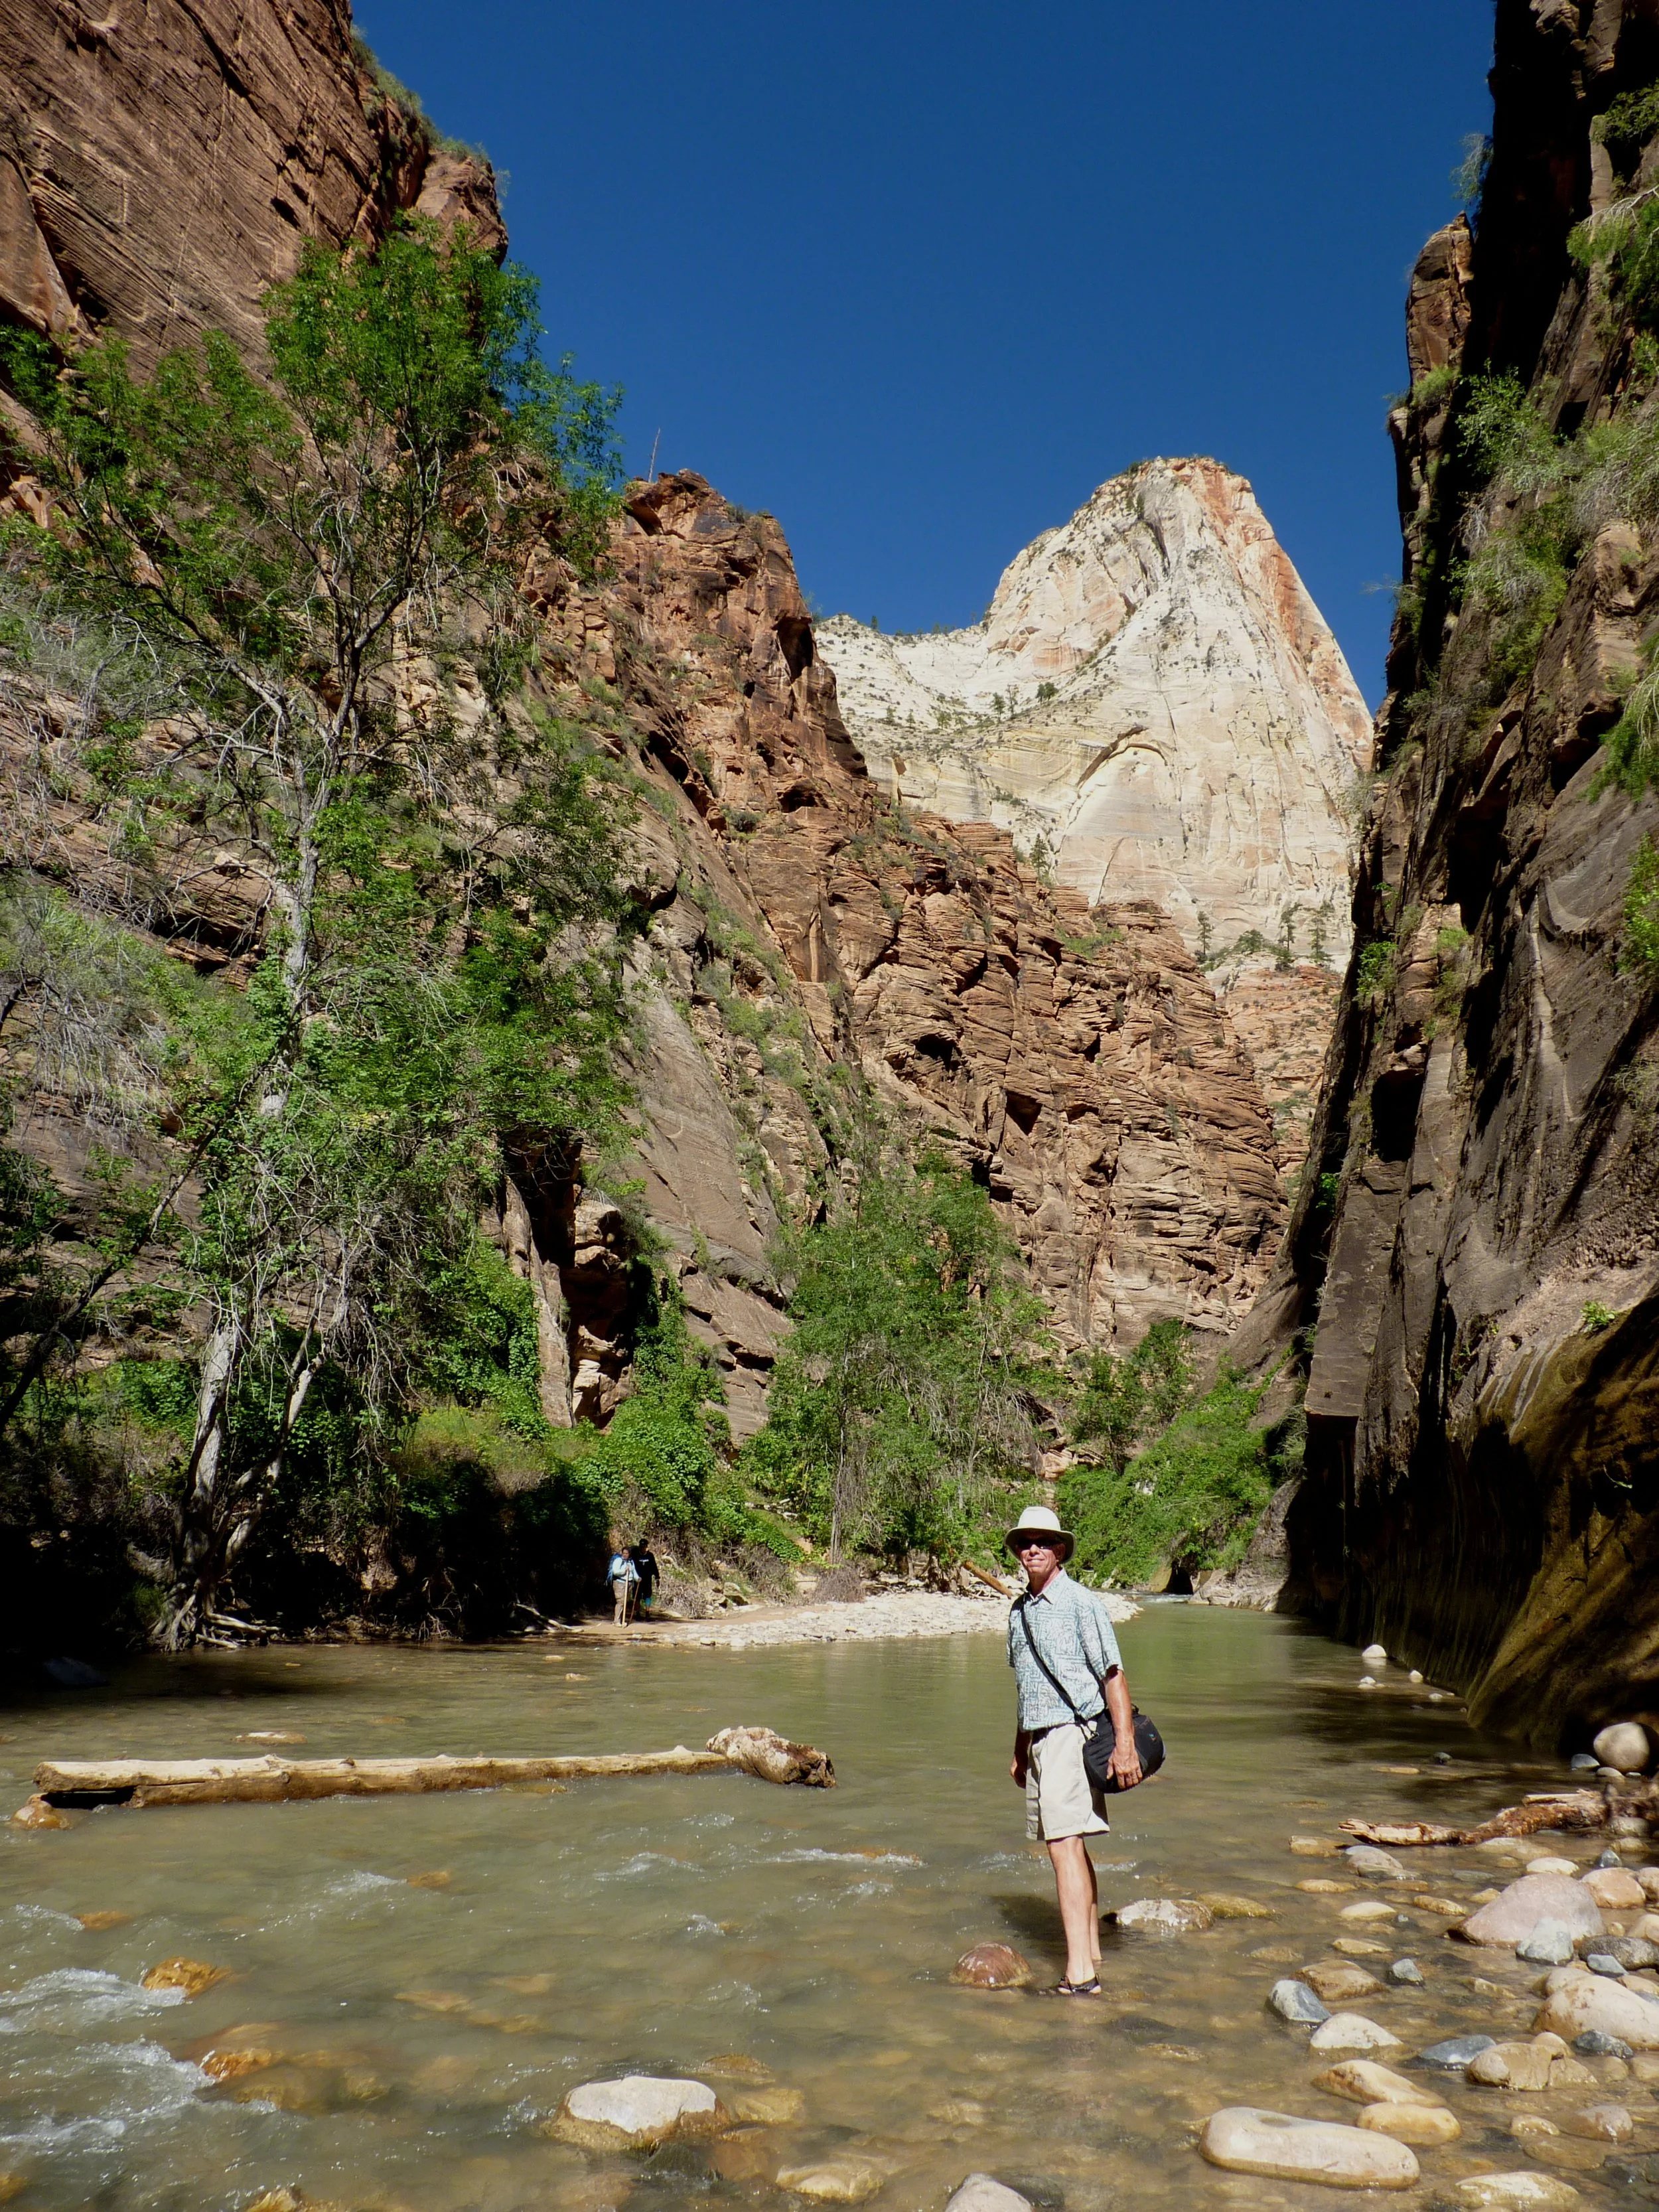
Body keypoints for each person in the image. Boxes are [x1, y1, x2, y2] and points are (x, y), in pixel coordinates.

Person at [1005, 1503, 1141, 1996]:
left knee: (1062, 1848)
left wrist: (1125, 1745)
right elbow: (1028, 1686)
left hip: (1072, 1734)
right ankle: (1093, 1951)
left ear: (1059, 1550)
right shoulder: (1018, 1612)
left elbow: (1113, 1675)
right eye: (1025, 1543)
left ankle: (1081, 1975)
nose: (1033, 1549)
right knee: (1071, 1846)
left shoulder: (1082, 1603)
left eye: (1043, 1541)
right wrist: (1020, 1749)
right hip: (1040, 1740)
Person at [607, 1542, 638, 1626]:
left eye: (627, 1553)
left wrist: (637, 1578)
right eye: (624, 1553)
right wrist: (624, 1571)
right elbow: (615, 1572)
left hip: (629, 1583)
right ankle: (617, 1621)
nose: (625, 1555)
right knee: (621, 1601)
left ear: (629, 1554)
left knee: (625, 1602)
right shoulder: (618, 1561)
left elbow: (634, 1572)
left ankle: (622, 1620)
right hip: (620, 1583)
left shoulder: (631, 1562)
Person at [631, 1540, 660, 1618]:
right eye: (641, 1547)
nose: (643, 1548)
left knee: (648, 1596)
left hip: (647, 1580)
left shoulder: (650, 1556)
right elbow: (632, 1566)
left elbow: (654, 1567)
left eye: (644, 1547)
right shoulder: (636, 1555)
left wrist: (657, 1578)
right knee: (637, 1597)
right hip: (638, 1580)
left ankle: (647, 1613)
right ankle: (637, 1613)